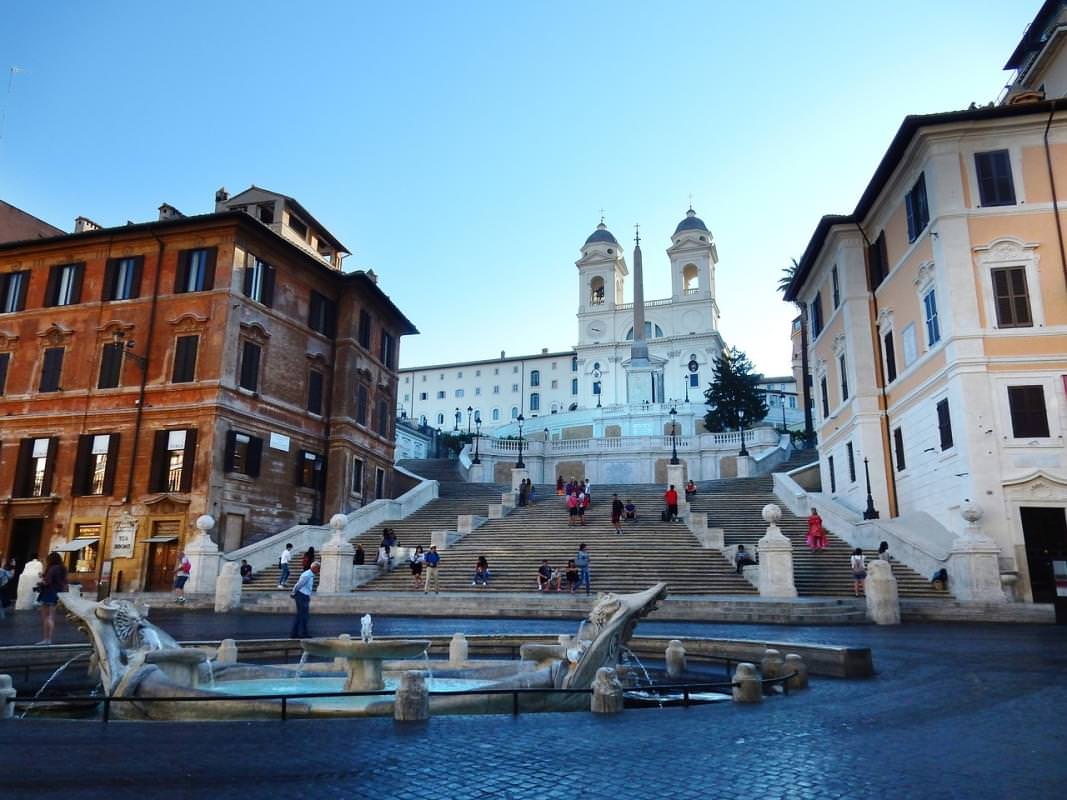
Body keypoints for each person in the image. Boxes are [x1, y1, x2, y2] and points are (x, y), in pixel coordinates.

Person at [36, 552, 68, 645]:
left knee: (46, 617)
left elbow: (47, 581)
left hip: (48, 593)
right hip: (56, 593)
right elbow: (63, 581)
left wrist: (41, 582)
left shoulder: (52, 568)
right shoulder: (63, 568)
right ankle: (49, 639)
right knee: (51, 617)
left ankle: (46, 639)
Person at [289, 561, 319, 638]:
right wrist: (293, 593)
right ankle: (303, 633)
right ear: (314, 568)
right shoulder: (307, 575)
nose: (319, 571)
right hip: (302, 596)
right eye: (318, 569)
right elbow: (299, 584)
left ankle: (294, 633)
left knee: (300, 615)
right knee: (304, 616)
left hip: (303, 595)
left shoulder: (309, 574)